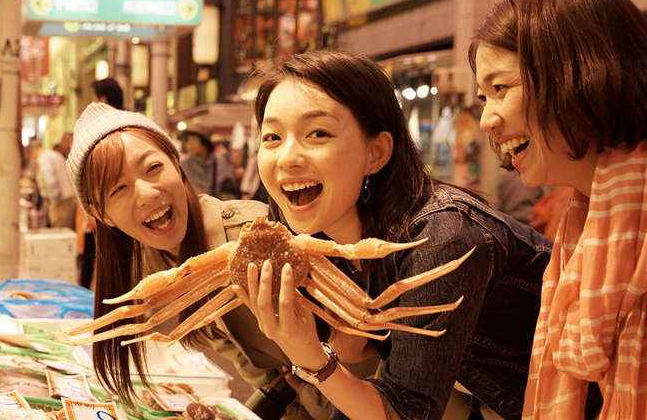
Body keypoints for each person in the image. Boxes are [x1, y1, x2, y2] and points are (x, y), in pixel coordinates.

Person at [233, 50, 580, 420]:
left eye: (318, 133)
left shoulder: (444, 238)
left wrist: (310, 358)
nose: (287, 157)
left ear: (376, 152)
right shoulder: (325, 240)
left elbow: (408, 412)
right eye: (272, 137)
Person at [65, 102, 336, 419]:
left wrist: (311, 386)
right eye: (119, 188)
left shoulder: (252, 238)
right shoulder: (156, 261)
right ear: (101, 214)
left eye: (153, 168)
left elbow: (352, 343)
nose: (147, 194)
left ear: (177, 165)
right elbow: (242, 353)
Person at [471, 0, 647, 419]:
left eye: (500, 88)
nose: (487, 120)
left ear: (576, 72)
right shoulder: (582, 220)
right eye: (482, 97)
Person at [29, 139, 76, 230]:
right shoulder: (53, 155)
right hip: (68, 199)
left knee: (61, 235)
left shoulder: (43, 159)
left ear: (33, 150)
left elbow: (50, 181)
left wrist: (54, 201)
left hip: (61, 202)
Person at [180, 123, 236, 200]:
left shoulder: (219, 161)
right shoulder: (185, 163)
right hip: (194, 206)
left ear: (205, 142)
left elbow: (227, 189)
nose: (189, 145)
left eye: (194, 140)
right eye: (188, 141)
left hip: (217, 206)